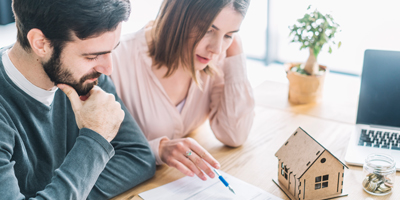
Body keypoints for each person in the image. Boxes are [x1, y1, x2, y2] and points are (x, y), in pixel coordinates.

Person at [0, 0, 156, 199]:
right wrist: (94, 138)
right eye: (92, 57)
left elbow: (138, 157)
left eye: (111, 51)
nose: (107, 69)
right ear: (41, 43)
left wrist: (66, 193)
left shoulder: (87, 77)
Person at [111, 0, 254, 181]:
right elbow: (91, 151)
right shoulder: (116, 59)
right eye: (208, 30)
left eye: (229, 35)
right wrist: (158, 149)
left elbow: (234, 134)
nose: (216, 49)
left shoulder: (216, 57)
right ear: (176, 15)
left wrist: (236, 54)